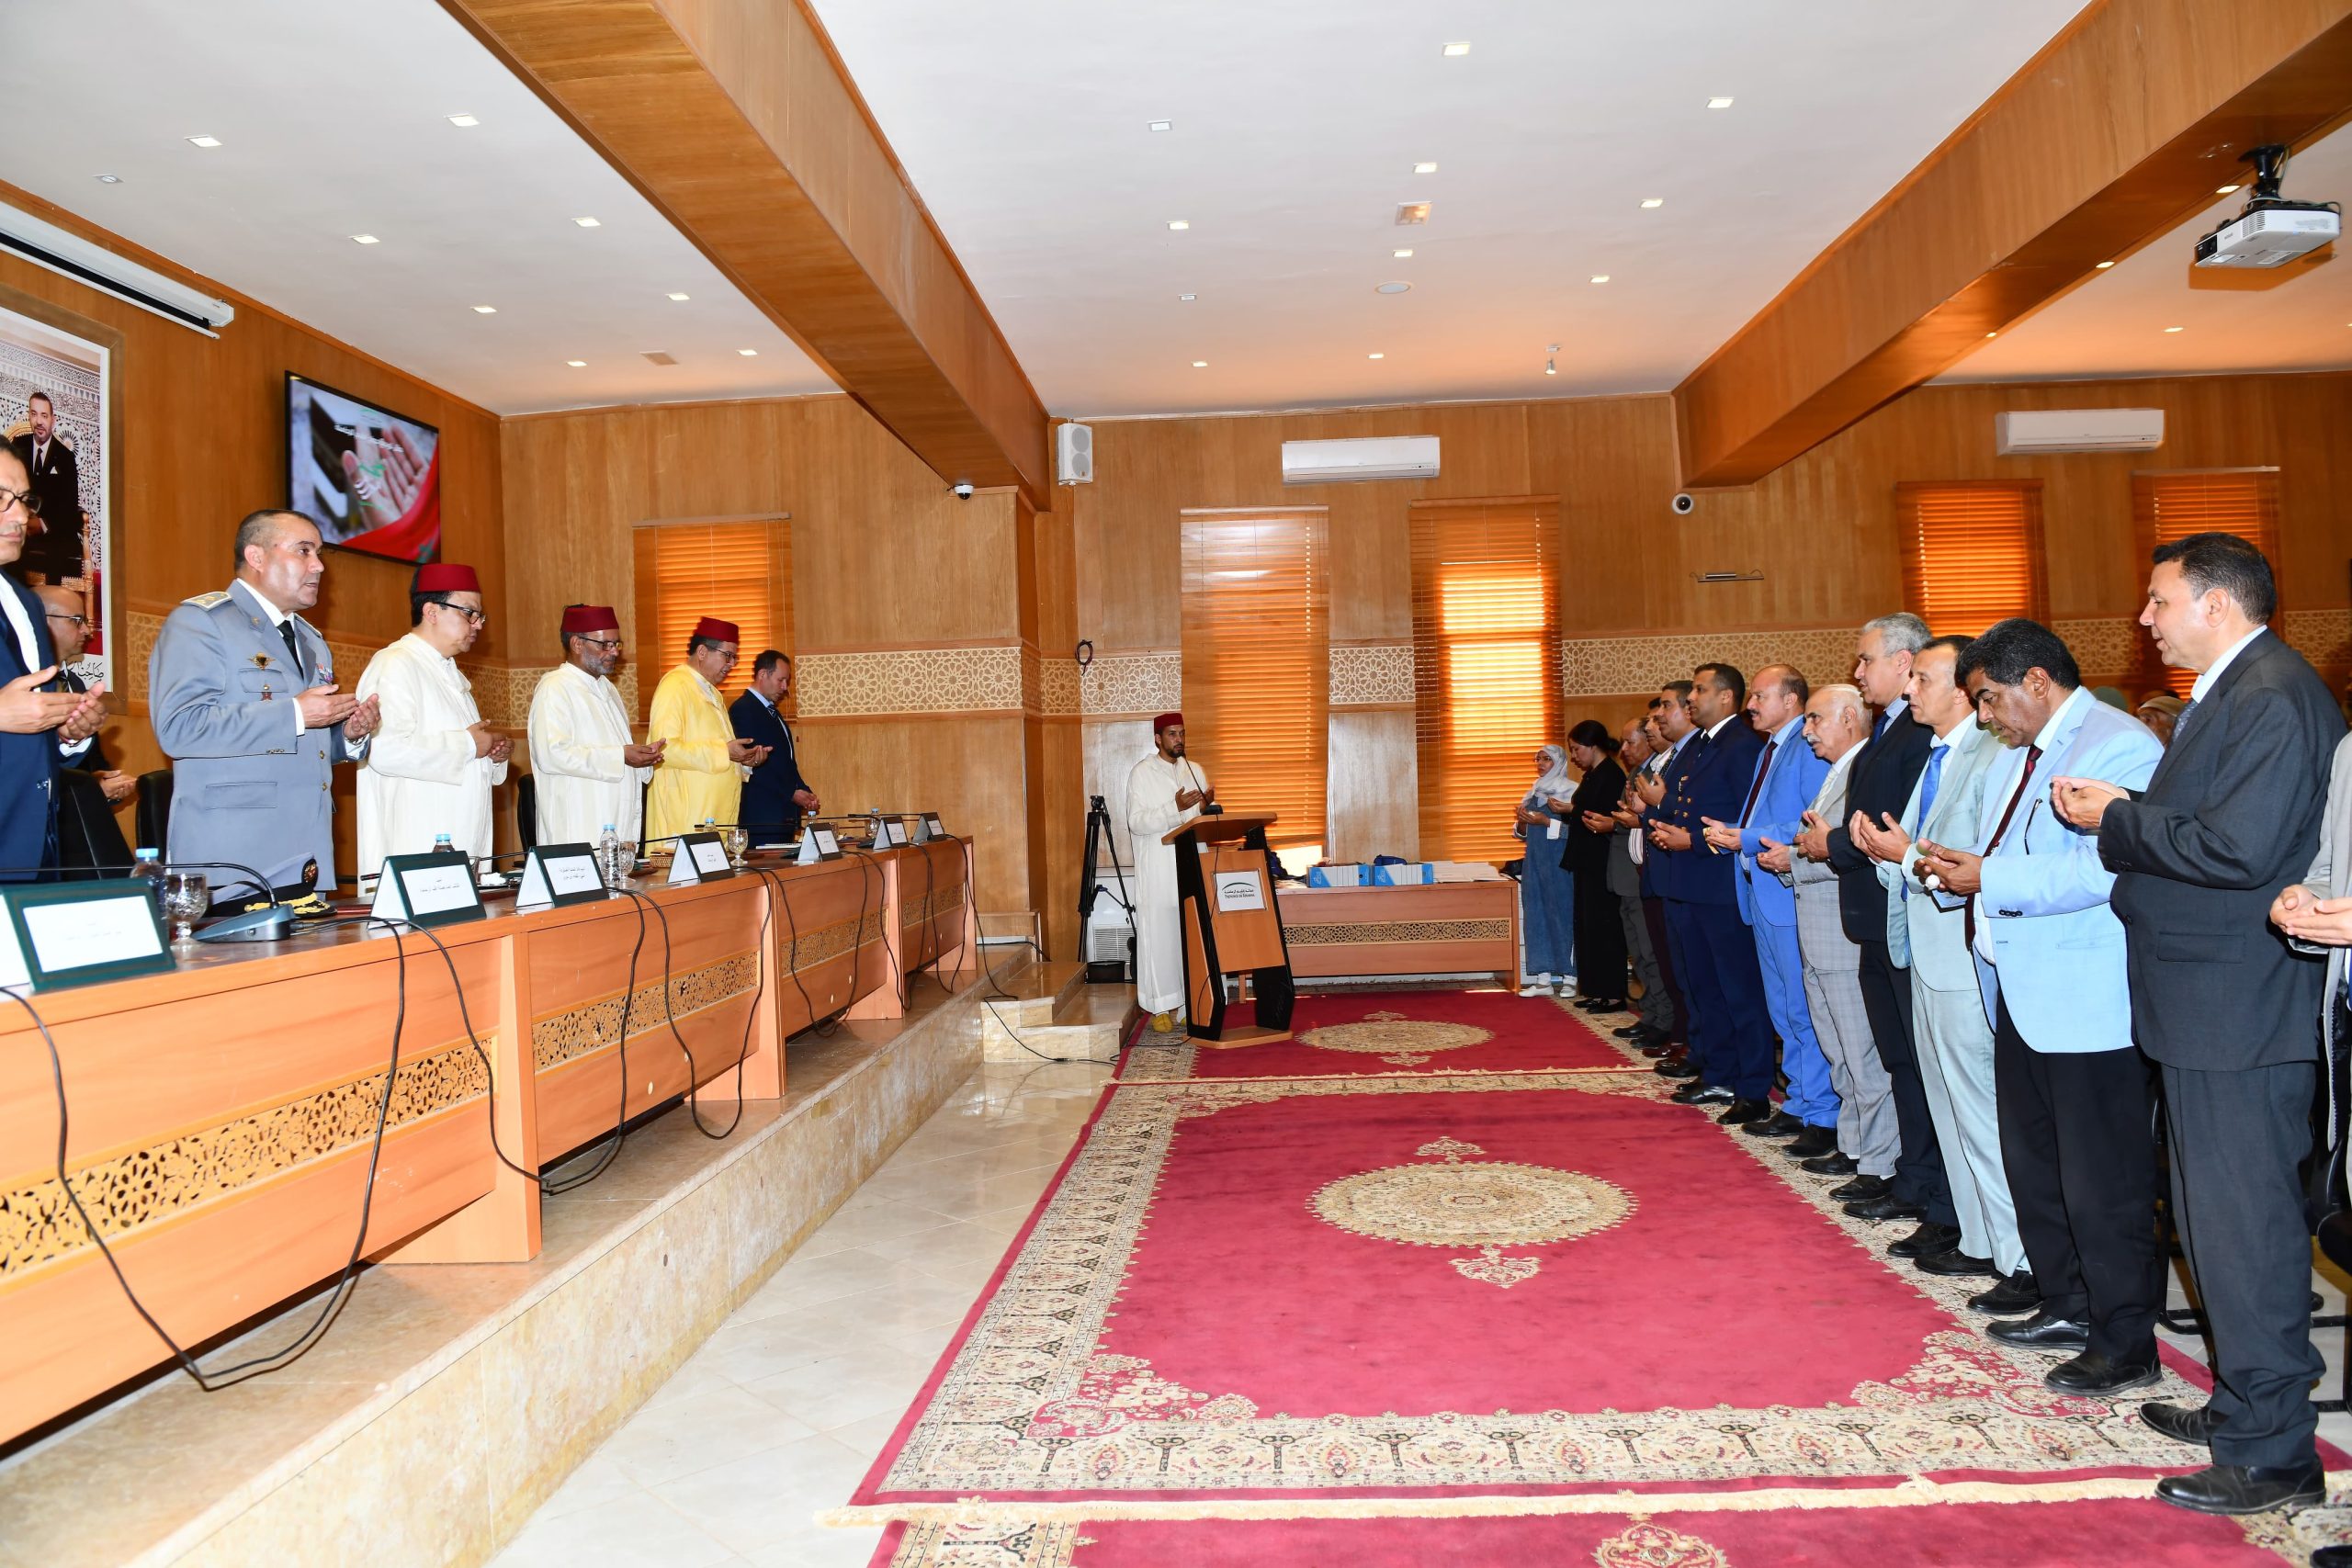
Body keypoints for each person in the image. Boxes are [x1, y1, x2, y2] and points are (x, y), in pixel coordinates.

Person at [2053, 533, 2344, 1517]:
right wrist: (2134, 807)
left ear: (2216, 604)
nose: (2145, 618)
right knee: (2209, 1222)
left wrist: (2117, 817)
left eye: (2158, 600)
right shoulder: (2237, 690)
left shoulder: (2270, 694)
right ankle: (2242, 1406)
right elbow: (2219, 823)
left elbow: (2238, 849)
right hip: (2203, 1000)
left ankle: (2271, 1451)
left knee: (2244, 1228)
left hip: (2237, 1006)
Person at [1916, 618, 2164, 1399]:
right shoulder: (2014, 754)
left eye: (1989, 698)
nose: (1984, 715)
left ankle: (2125, 1340)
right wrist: (1964, 868)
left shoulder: (2120, 745)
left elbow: (2103, 870)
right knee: (2038, 1164)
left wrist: (1987, 878)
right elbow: (2004, 852)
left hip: (2086, 999)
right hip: (2020, 989)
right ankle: (2065, 1301)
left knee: (2103, 1180)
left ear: (2036, 681)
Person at [1853, 635, 2021, 1292]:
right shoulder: (1939, 754)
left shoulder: (1989, 754)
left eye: (1922, 678)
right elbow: (1916, 853)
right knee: (1948, 1105)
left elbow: (1967, 861)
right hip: (1923, 949)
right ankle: (1977, 1239)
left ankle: (2016, 1254)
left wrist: (1902, 854)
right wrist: (1887, 852)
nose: (1910, 688)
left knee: (1980, 1108)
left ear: (1962, 690)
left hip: (1960, 952)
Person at [150, 509, 379, 908]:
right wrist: (296, 714)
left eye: (319, 553)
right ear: (256, 557)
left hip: (306, 854)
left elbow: (301, 743)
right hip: (235, 859)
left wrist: (347, 735)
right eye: (303, 551)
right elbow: (179, 727)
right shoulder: (202, 623)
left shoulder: (310, 640)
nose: (319, 566)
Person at [1807, 613, 1948, 1235]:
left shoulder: (1919, 733)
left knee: (1916, 1061)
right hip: (1873, 915)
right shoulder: (1891, 729)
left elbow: (1894, 827)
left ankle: (1926, 1186)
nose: (1858, 670)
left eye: (1866, 659)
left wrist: (1833, 842)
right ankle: (1909, 1177)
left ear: (1902, 661)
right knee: (1898, 1059)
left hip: (1902, 914)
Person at [1767, 685, 1902, 1201]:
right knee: (1837, 1049)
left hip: (1843, 936)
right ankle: (1853, 1144)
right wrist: (1798, 853)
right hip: (1819, 932)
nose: (1807, 731)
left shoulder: (1863, 770)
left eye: (1815, 719)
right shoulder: (1838, 771)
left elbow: (1849, 850)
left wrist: (1794, 857)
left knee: (1861, 1052)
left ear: (1848, 718)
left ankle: (1879, 1161)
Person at [1702, 664, 1832, 1149]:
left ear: (1791, 700)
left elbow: (1811, 822)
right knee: (1783, 1009)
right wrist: (1737, 832)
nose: (1750, 704)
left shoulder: (1807, 746)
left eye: (1760, 696)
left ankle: (1820, 1111)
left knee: (1802, 1008)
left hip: (1788, 890)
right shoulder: (1772, 747)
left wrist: (1745, 837)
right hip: (1763, 892)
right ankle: (1799, 1102)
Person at [1652, 662, 1772, 1124]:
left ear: (1725, 697)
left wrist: (1695, 841)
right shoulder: (1705, 743)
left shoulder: (1742, 745)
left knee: (1738, 991)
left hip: (1721, 884)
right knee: (1706, 987)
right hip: (1692, 883)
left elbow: (1747, 818)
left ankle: (1752, 1085)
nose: (1691, 698)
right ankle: (1719, 1072)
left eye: (1700, 690)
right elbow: (1688, 805)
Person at [356, 563, 508, 875]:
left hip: (461, 838)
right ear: (432, 611)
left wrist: (491, 755)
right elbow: (384, 751)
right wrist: (469, 745)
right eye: (469, 613)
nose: (478, 624)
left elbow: (466, 751)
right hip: (416, 842)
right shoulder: (395, 664)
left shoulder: (450, 672)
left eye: (480, 616)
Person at [0, 449, 104, 880]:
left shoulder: (25, 603)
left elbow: (27, 726)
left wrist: (66, 731)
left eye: (24, 500)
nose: (20, 516)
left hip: (33, 850)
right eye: (1, 498)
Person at [528, 604, 662, 848]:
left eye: (616, 643)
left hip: (614, 825)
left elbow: (618, 752)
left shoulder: (607, 688)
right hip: (578, 827)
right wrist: (621, 755)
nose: (614, 651)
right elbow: (551, 755)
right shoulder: (554, 688)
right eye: (605, 644)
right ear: (577, 644)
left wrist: (641, 757)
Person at [36, 583, 132, 876]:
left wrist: (101, 783)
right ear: (41, 621)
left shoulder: (76, 684)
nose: (88, 631)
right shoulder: (18, 684)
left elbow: (87, 764)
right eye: (77, 621)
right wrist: (87, 788)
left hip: (71, 835)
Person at [1125, 712, 1213, 1032]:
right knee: (1160, 939)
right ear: (1158, 739)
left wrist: (1205, 808)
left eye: (1182, 733)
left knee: (1189, 937)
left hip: (1191, 863)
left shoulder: (1195, 770)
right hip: (1158, 869)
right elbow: (1136, 822)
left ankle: (1190, 1004)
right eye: (1172, 734)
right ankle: (1159, 1006)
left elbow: (1198, 821)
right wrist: (1173, 808)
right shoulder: (1141, 773)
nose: (1179, 739)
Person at [1590, 716, 1674, 1048]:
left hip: (1645, 876)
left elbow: (1653, 819)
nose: (1623, 749)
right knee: (1639, 954)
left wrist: (1624, 821)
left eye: (1631, 741)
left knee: (1651, 953)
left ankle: (1663, 1019)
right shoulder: (1637, 772)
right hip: (1628, 874)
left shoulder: (1657, 772)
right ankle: (1651, 1015)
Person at [646, 616, 768, 842]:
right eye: (727, 655)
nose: (732, 664)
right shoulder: (675, 686)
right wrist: (725, 752)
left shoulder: (712, 693)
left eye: (735, 657)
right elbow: (664, 749)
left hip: (712, 816)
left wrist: (744, 760)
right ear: (702, 652)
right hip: (685, 819)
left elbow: (720, 751)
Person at [1637, 686, 1701, 1078]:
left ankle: (1690, 1042)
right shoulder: (1676, 756)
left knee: (1690, 974)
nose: (1659, 716)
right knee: (1673, 966)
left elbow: (1687, 811)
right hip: (1664, 873)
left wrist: (1653, 806)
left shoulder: (1696, 752)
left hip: (1688, 873)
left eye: (1666, 706)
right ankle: (1685, 1039)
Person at [1561, 720, 1627, 1010]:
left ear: (1592, 746)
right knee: (1588, 926)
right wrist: (1572, 811)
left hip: (1602, 860)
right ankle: (1595, 989)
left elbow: (1603, 816)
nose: (1574, 756)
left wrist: (1571, 809)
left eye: (1577, 749)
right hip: (1586, 859)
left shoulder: (1611, 774)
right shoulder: (1591, 775)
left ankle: (1612, 993)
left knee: (1605, 926)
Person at [1513, 744, 1579, 997]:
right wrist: (1522, 822)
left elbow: (1579, 833)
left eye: (1546, 759)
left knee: (1563, 916)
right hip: (1535, 863)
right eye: (1538, 759)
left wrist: (1547, 821)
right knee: (1536, 917)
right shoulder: (1533, 792)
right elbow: (1522, 833)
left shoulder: (1573, 792)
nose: (1540, 764)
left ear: (1559, 762)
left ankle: (1570, 977)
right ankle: (1543, 979)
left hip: (1562, 865)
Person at [731, 649, 818, 841]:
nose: (785, 687)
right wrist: (791, 793)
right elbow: (751, 765)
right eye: (781, 680)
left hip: (782, 816)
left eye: (787, 681)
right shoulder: (743, 709)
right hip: (762, 818)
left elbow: (787, 763)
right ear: (762, 674)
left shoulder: (773, 712)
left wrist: (803, 790)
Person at [11, 391, 85, 587]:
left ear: (53, 420)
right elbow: (10, 487)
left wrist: (42, 524)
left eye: (44, 415)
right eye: (34, 414)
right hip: (23, 524)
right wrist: (24, 519)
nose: (39, 421)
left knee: (59, 546)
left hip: (53, 529)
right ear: (29, 416)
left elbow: (69, 504)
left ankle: (50, 600)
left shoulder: (65, 457)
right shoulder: (18, 446)